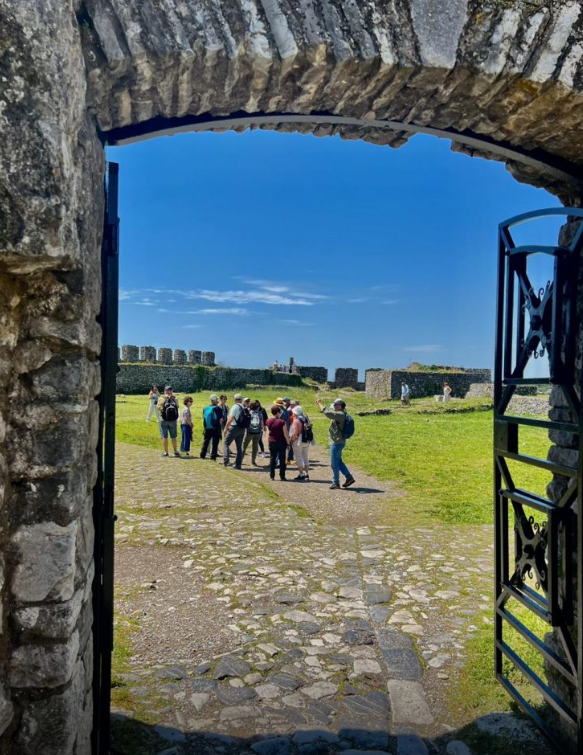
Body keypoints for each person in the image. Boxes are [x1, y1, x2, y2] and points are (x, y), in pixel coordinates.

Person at [315, 397, 355, 489]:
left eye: (335, 404)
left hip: (336, 442)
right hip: (339, 441)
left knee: (334, 464)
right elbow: (329, 412)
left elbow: (328, 413)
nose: (334, 405)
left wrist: (319, 404)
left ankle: (336, 483)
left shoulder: (340, 415)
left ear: (340, 406)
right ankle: (349, 478)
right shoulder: (340, 414)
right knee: (338, 461)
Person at [223, 393, 248, 469]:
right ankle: (238, 464)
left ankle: (226, 462)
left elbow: (230, 418)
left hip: (234, 427)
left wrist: (226, 428)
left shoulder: (235, 407)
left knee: (226, 443)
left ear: (235, 400)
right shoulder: (244, 407)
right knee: (239, 447)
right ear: (241, 399)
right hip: (242, 428)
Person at [266, 405, 290, 481]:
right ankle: (282, 475)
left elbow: (267, 432)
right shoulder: (282, 422)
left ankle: (272, 475)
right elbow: (285, 433)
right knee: (282, 459)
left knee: (272, 459)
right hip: (281, 442)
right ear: (278, 413)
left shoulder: (268, 421)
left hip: (272, 441)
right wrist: (288, 442)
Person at [157, 385, 180, 457]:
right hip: (173, 420)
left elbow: (158, 407)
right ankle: (175, 451)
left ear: (165, 391)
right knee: (173, 437)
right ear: (172, 391)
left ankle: (166, 452)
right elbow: (177, 406)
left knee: (164, 436)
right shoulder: (175, 399)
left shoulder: (162, 398)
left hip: (163, 419)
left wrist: (163, 410)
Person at [289, 405, 310, 481]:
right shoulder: (306, 419)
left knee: (299, 457)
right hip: (307, 440)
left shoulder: (296, 421)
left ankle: (301, 474)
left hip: (298, 441)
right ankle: (306, 473)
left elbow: (295, 433)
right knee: (305, 456)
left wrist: (291, 440)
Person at [200, 394, 223, 460]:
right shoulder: (218, 408)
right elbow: (221, 420)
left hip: (207, 427)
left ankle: (202, 455)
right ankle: (213, 457)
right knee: (215, 443)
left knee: (206, 442)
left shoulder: (205, 408)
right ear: (215, 400)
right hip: (215, 428)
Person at [242, 400, 264, 465]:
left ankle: (240, 460)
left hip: (249, 432)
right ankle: (253, 461)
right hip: (258, 433)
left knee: (244, 447)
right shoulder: (260, 414)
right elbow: (262, 425)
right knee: (255, 447)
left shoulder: (249, 413)